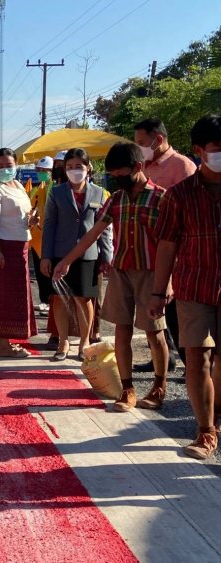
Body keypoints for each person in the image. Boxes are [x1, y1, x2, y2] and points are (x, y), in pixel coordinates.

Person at [54, 142, 169, 413]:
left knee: (155, 333)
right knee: (121, 329)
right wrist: (66, 262)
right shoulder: (116, 199)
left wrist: (168, 283)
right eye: (112, 174)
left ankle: (159, 386)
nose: (116, 178)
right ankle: (126, 389)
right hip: (121, 272)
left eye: (120, 173)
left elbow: (171, 244)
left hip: (152, 274)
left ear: (138, 168)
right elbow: (93, 234)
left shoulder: (161, 199)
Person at [148, 115, 221, 459]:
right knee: (197, 358)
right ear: (198, 151)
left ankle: (214, 415)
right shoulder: (178, 196)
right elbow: (166, 246)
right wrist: (158, 293)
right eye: (217, 149)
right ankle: (205, 432)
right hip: (194, 288)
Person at [133, 118, 197, 375]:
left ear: (158, 139)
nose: (140, 148)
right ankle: (163, 356)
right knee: (159, 313)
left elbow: (192, 211)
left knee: (180, 313)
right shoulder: (145, 166)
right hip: (152, 251)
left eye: (141, 143)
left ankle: (195, 364)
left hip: (179, 252)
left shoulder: (182, 166)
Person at [40, 148, 112, 362]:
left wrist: (107, 256)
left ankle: (84, 342)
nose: (74, 171)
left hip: (88, 255)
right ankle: (63, 341)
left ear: (88, 168)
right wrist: (46, 255)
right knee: (60, 299)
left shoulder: (100, 193)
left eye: (78, 167)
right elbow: (49, 224)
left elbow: (105, 228)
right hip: (59, 253)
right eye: (69, 167)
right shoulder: (57, 191)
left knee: (84, 299)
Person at [0, 147, 38, 357]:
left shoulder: (18, 186)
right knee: (5, 295)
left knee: (18, 295)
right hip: (2, 246)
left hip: (20, 244)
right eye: (0, 166)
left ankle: (4, 340)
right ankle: (3, 343)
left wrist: (32, 220)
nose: (5, 169)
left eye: (9, 165)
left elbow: (22, 216)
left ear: (16, 165)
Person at [29, 156, 55, 319]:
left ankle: (51, 300)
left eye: (44, 171)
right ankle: (44, 299)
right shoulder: (36, 189)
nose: (40, 173)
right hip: (36, 236)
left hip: (49, 236)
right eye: (39, 171)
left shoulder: (54, 188)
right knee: (40, 271)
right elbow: (31, 206)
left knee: (49, 271)